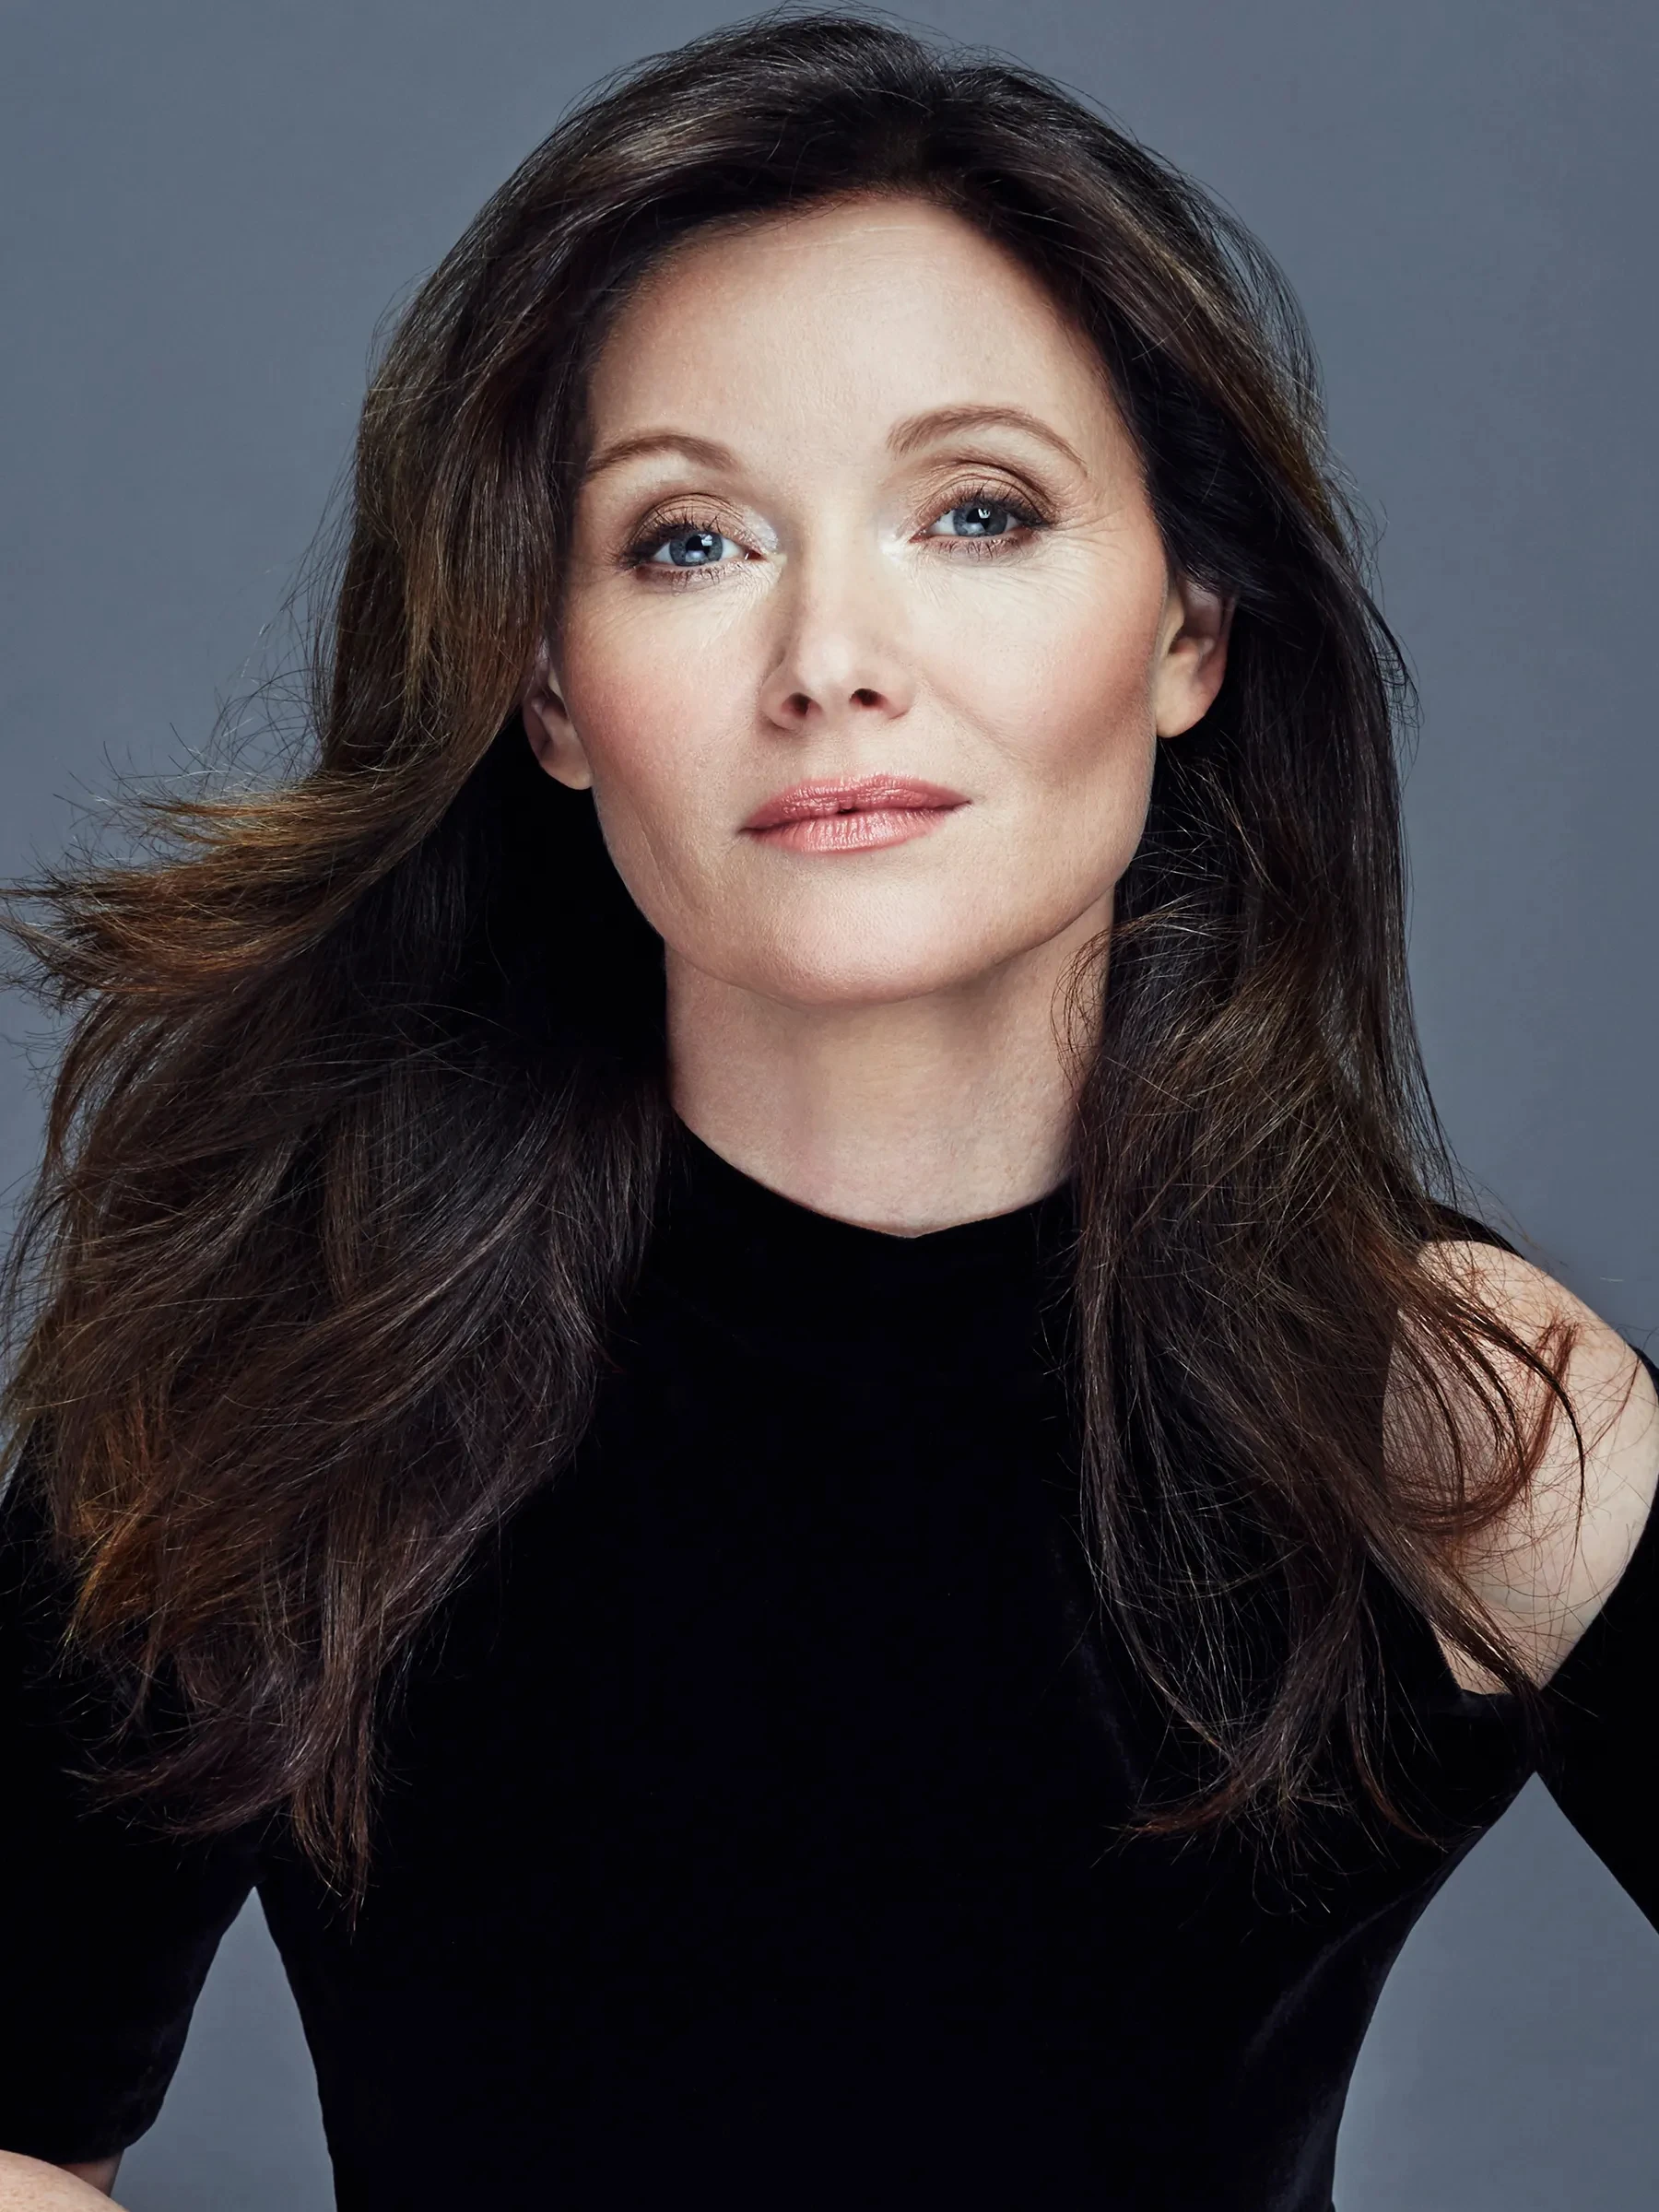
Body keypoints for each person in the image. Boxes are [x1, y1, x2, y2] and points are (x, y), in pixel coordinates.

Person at [1, 14, 1653, 2209]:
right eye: (688, 541)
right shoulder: (277, 1372)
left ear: (1190, 630)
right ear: (549, 689)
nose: (832, 658)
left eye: (979, 512)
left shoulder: (1444, 1405)